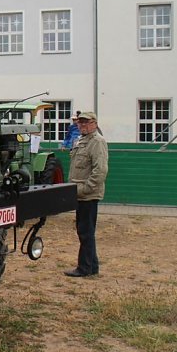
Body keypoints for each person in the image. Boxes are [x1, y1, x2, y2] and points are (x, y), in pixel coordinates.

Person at [65, 111, 108, 277]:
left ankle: (84, 268)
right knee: (85, 231)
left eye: (86, 122)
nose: (82, 125)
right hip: (80, 194)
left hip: (88, 195)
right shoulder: (81, 141)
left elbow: (100, 170)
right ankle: (92, 266)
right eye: (80, 122)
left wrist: (85, 189)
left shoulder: (97, 142)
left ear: (94, 124)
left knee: (85, 232)